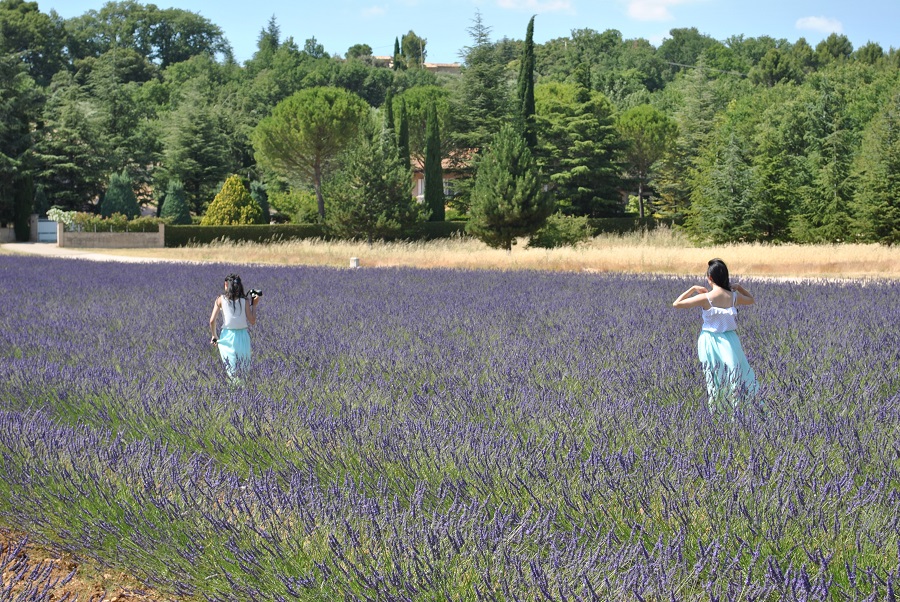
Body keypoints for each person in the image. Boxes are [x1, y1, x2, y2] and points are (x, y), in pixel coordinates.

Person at [672, 258, 759, 413]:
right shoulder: (733, 296)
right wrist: (739, 287)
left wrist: (692, 289)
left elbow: (676, 304)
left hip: (709, 340)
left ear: (710, 278)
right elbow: (751, 300)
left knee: (714, 377)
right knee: (735, 374)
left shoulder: (706, 298)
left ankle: (718, 412)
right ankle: (737, 411)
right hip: (731, 340)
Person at [209, 273, 259, 379]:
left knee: (230, 369)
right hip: (242, 336)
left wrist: (214, 336)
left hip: (227, 336)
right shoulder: (244, 300)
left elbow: (212, 320)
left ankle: (233, 390)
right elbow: (252, 321)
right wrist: (254, 305)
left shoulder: (220, 300)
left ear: (226, 284)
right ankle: (242, 390)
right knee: (243, 368)